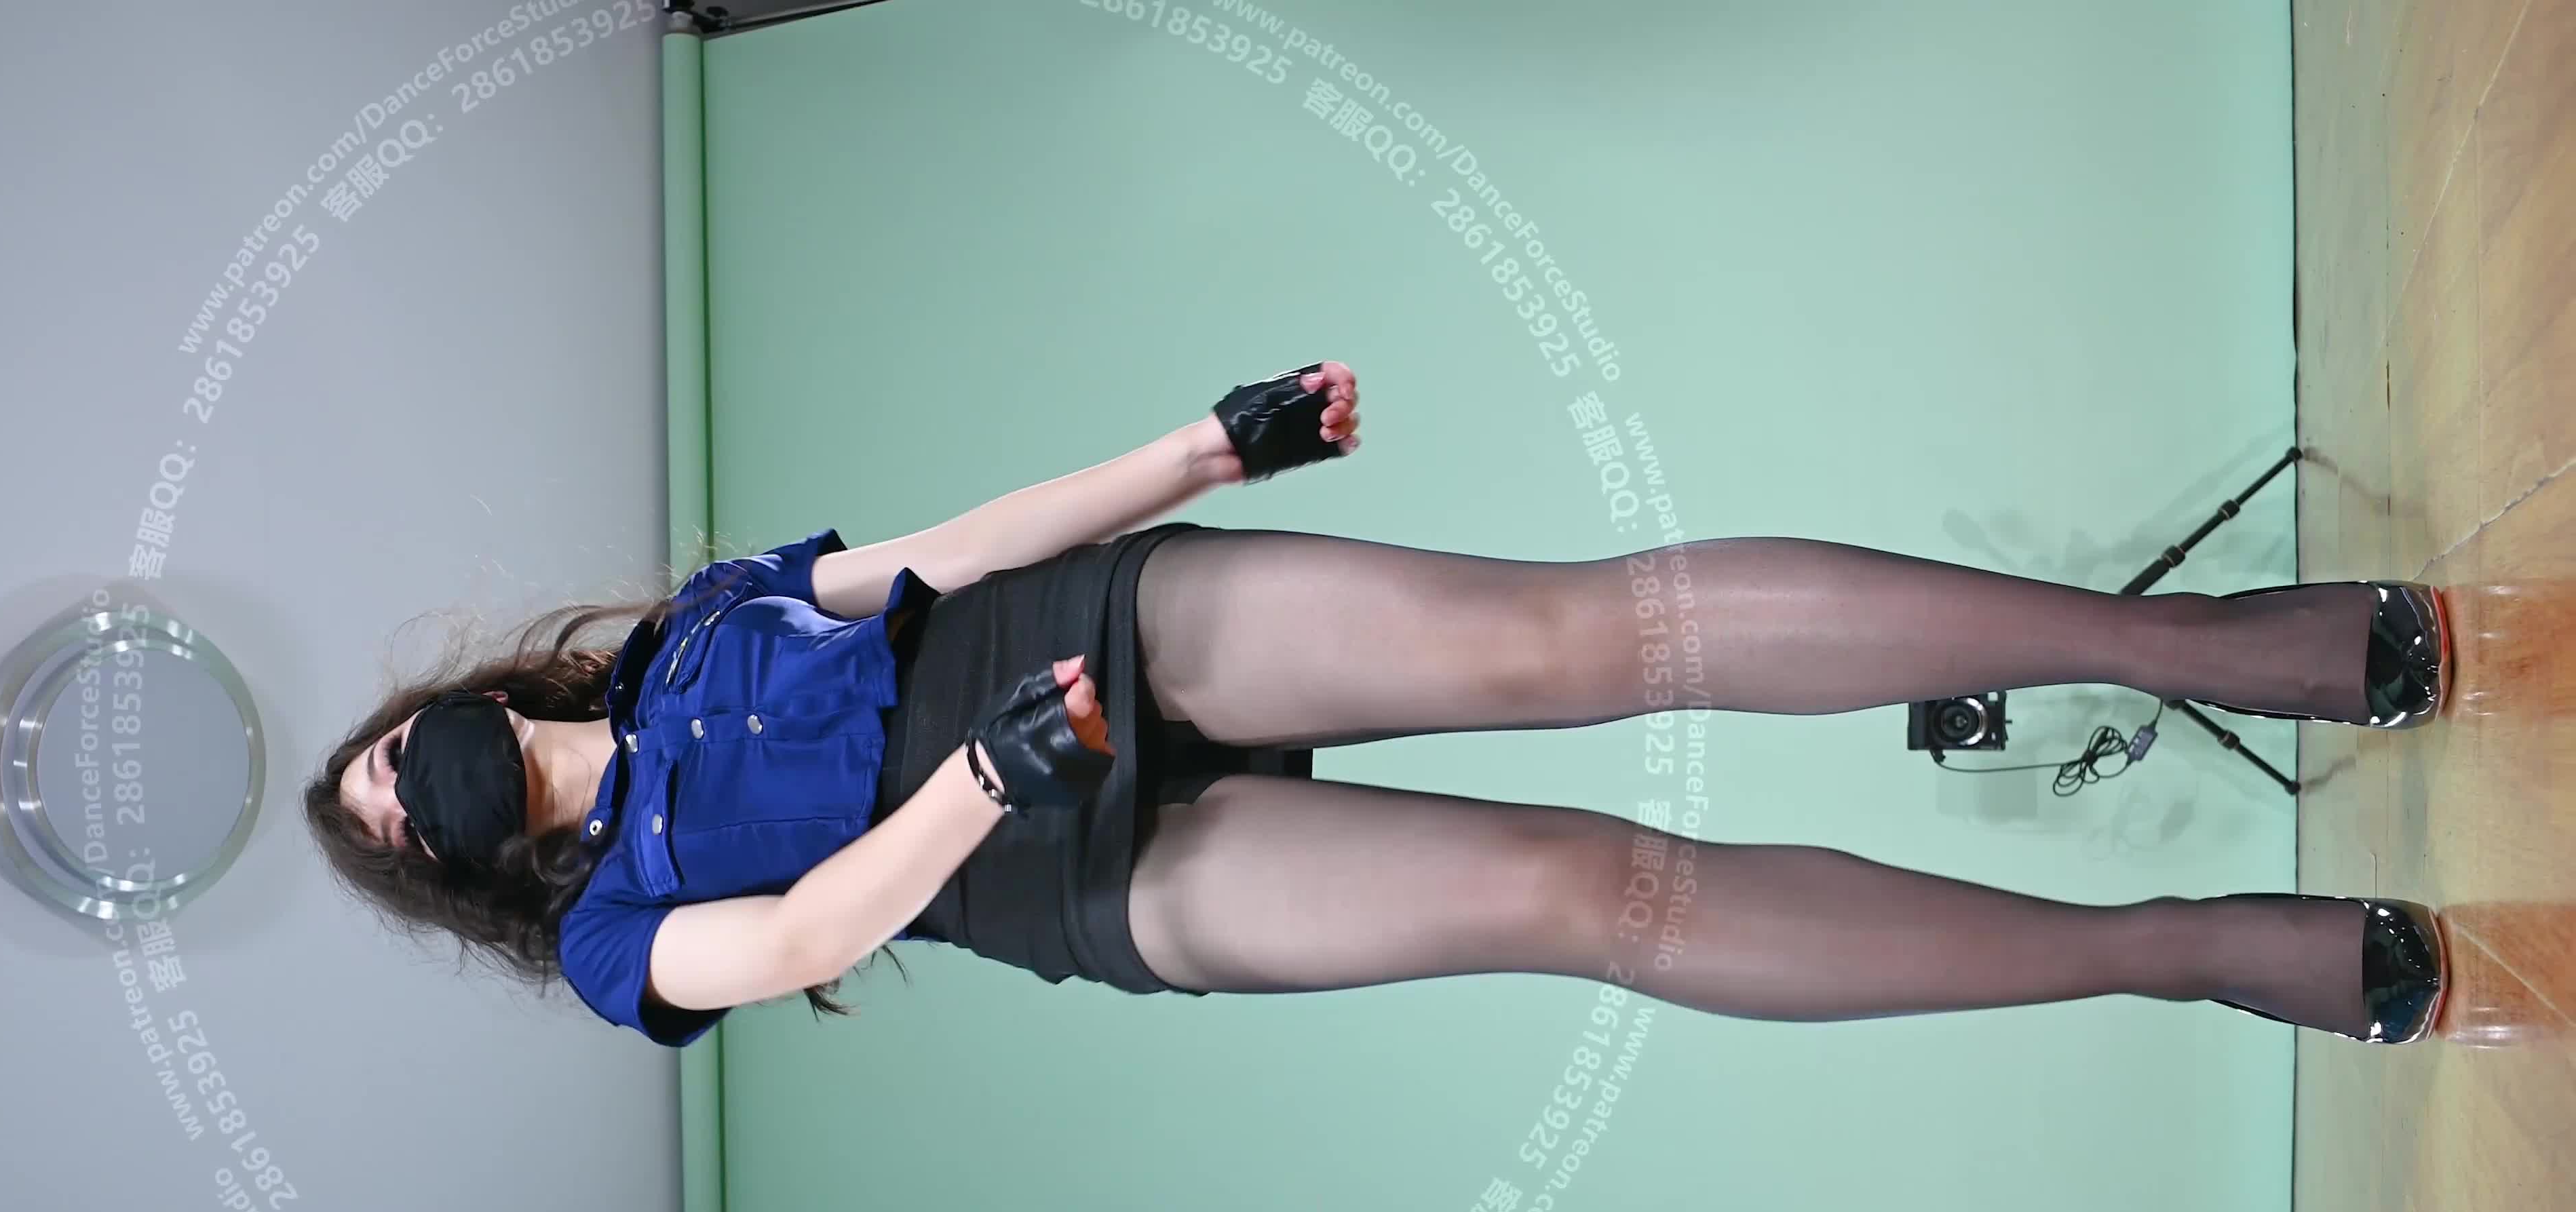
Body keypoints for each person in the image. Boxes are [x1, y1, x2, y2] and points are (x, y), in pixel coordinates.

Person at [302, 361, 2447, 1049]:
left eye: (388, 754)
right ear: (455, 869)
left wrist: (1200, 454)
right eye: (395, 822)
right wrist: (980, 784)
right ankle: (2197, 951)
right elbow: (793, 940)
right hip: (1040, 858)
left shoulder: (700, 623)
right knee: (1594, 899)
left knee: (1591, 636)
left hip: (1076, 635)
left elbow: (942, 550)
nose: (408, 785)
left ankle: (2222, 647)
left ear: (456, 703)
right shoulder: (617, 939)